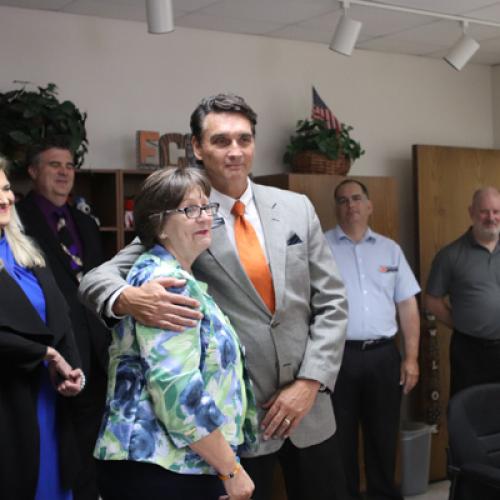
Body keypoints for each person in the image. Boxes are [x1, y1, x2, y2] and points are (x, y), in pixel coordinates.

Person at [79, 93, 348, 500]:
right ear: (198, 148)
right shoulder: (183, 218)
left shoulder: (296, 208)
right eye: (221, 141)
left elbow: (332, 302)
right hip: (237, 423)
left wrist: (311, 381)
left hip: (309, 409)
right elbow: (97, 279)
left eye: (244, 139)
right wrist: (131, 300)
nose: (235, 151)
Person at [94, 166, 257, 500]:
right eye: (189, 210)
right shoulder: (166, 284)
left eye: (206, 208)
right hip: (163, 469)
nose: (203, 218)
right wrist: (231, 469)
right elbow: (177, 389)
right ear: (158, 226)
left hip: (179, 465)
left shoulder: (179, 276)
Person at [16, 140, 109, 500]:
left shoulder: (85, 222)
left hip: (96, 355)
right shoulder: (17, 220)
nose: (64, 173)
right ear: (33, 171)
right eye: (54, 165)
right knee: (57, 449)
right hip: (51, 354)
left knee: (93, 448)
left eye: (69, 166)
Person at [325, 179, 420, 500]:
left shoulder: (390, 249)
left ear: (369, 206)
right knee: (340, 441)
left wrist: (410, 358)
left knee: (383, 437)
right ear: (335, 207)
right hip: (338, 358)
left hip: (383, 357)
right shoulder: (320, 249)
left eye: (356, 198)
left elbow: (407, 304)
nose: (350, 205)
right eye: (342, 200)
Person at [0, 156, 84, 500]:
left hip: (49, 402)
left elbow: (60, 318)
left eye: (5, 188)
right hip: (7, 405)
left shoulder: (26, 252)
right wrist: (44, 354)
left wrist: (72, 369)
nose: (4, 199)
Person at [425, 186, 500, 397]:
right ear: (471, 212)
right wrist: (460, 322)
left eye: (496, 211)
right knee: (469, 412)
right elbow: (432, 300)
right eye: (484, 211)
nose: (491, 217)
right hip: (470, 351)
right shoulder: (450, 255)